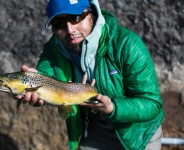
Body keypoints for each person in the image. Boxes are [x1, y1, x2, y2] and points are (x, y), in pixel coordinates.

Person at [15, 0, 164, 149]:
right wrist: (34, 81)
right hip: (96, 130)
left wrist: (113, 108)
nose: (70, 29)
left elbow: (152, 103)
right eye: (59, 23)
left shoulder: (128, 45)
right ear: (53, 29)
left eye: (76, 18)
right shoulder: (52, 50)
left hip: (138, 134)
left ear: (92, 14)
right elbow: (46, 76)